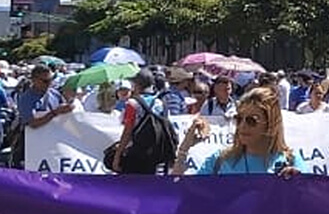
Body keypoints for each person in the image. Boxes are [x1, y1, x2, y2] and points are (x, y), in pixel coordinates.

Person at [172, 87, 308, 176]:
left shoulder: (291, 161)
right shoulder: (220, 160)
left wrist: (299, 185)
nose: (242, 126)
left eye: (251, 121)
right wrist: (184, 149)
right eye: (239, 119)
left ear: (271, 124)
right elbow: (183, 196)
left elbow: (313, 207)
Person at [110, 70, 165, 175]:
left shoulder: (132, 104)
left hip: (136, 152)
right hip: (156, 153)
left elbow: (127, 132)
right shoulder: (160, 103)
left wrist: (118, 155)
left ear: (136, 85)